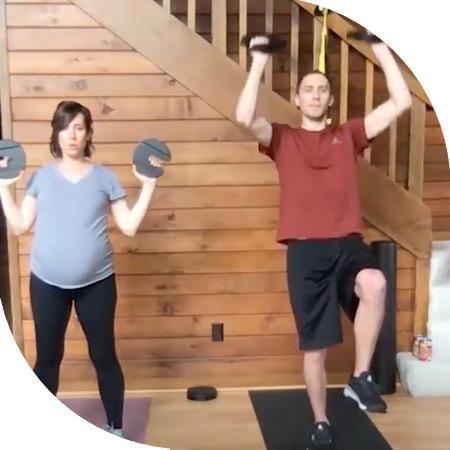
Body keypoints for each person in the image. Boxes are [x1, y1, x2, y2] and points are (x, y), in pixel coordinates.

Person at [236, 36, 412, 449]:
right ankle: (320, 421)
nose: (316, 95)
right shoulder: (282, 138)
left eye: (322, 90)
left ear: (330, 100)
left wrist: (382, 47)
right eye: (308, 89)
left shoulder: (348, 135)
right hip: (304, 252)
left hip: (347, 243)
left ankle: (360, 376)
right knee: (314, 348)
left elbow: (401, 102)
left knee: (376, 283)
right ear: (297, 99)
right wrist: (259, 60)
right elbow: (244, 114)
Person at [0, 101, 162, 438]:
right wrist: (3, 185)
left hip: (97, 283)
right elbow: (18, 225)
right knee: (48, 358)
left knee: (103, 355)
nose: (72, 135)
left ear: (88, 133)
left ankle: (115, 429)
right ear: (55, 133)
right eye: (65, 127)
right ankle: (37, 432)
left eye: (79, 127)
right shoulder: (41, 177)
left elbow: (129, 226)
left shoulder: (104, 177)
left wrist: (148, 184)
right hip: (46, 283)